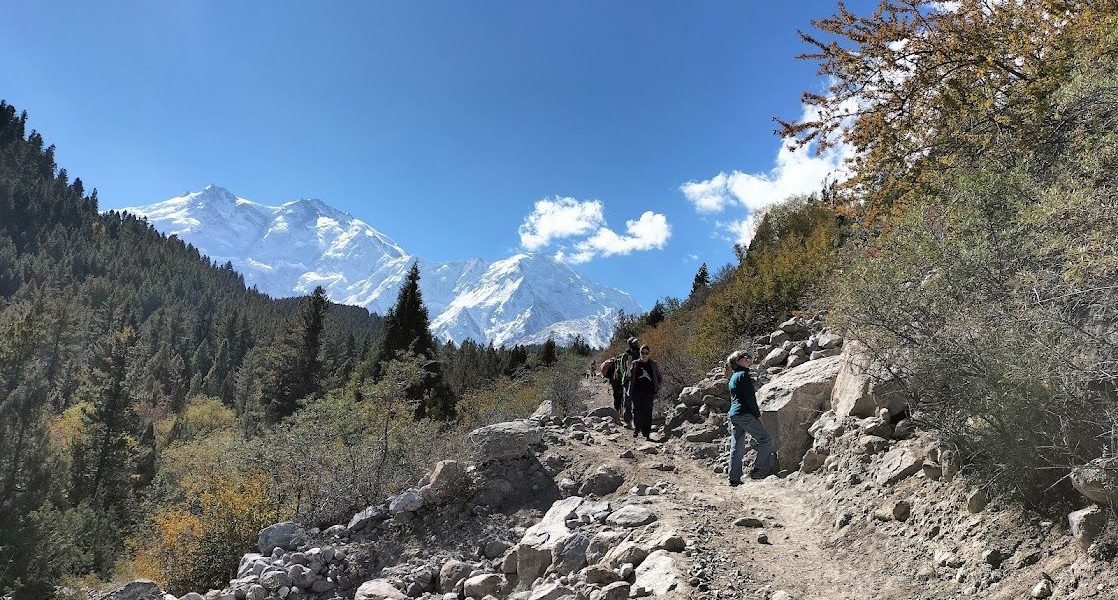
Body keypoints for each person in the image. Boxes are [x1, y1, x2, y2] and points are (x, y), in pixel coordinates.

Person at [725, 349, 773, 485]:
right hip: (745, 413)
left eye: (748, 356)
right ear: (737, 361)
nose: (747, 358)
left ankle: (734, 478)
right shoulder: (743, 375)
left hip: (734, 414)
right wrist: (757, 415)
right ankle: (760, 471)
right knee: (765, 439)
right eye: (743, 357)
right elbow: (750, 399)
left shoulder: (733, 377)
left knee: (737, 445)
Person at [627, 343, 662, 441]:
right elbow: (629, 377)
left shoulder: (653, 364)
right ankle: (637, 429)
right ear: (640, 353)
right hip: (636, 391)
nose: (644, 355)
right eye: (642, 352)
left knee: (647, 412)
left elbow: (659, 377)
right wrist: (628, 370)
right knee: (636, 411)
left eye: (646, 353)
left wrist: (656, 386)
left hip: (649, 392)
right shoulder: (635, 363)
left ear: (649, 353)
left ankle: (646, 433)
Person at [617, 336, 641, 427]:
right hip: (629, 380)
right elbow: (623, 368)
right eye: (635, 343)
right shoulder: (626, 355)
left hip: (638, 380)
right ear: (631, 344)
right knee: (628, 401)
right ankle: (628, 421)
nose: (637, 344)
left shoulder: (641, 353)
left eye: (637, 342)